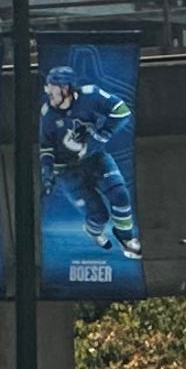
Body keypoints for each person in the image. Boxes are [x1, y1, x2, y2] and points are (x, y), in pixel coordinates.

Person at [37, 60, 140, 260]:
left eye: (53, 89)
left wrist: (103, 134)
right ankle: (93, 232)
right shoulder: (47, 114)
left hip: (95, 158)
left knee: (120, 195)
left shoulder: (90, 95)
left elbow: (122, 111)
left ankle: (126, 238)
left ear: (66, 88)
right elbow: (46, 147)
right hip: (68, 170)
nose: (49, 93)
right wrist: (47, 172)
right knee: (99, 215)